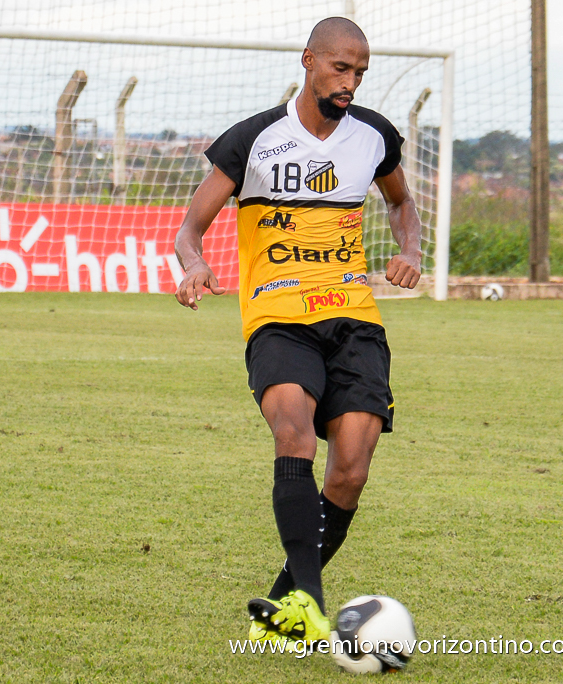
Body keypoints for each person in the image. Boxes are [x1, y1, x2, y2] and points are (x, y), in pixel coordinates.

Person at [173, 17, 422, 650]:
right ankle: (310, 603)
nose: (351, 82)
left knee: (351, 473)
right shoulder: (254, 139)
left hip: (354, 317)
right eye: (341, 68)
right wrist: (196, 265)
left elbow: (399, 201)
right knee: (294, 435)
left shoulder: (374, 136)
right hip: (278, 315)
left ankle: (287, 598)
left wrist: (410, 248)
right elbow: (190, 227)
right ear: (309, 60)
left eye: (361, 73)